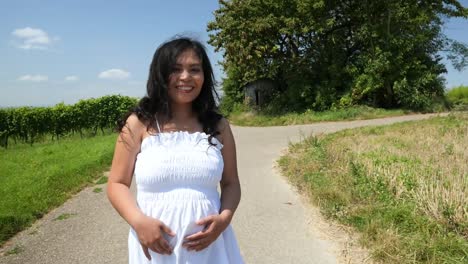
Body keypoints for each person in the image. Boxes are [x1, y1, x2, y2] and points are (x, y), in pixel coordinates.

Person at [107, 37, 244, 263]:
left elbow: (231, 183)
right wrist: (139, 222)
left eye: (194, 69)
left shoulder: (218, 126)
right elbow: (117, 183)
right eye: (176, 69)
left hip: (212, 249)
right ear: (160, 75)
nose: (185, 77)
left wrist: (224, 219)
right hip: (157, 249)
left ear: (204, 76)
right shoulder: (138, 123)